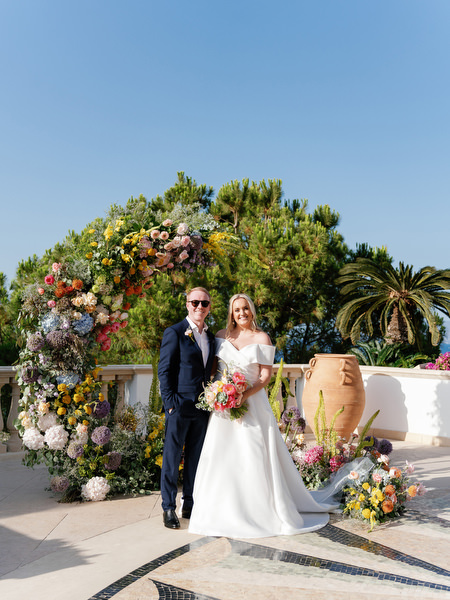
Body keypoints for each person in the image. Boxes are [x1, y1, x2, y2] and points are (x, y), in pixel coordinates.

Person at [189, 293, 355, 538]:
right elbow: (214, 370)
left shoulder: (262, 337)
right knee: (221, 456)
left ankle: (258, 511)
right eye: (237, 310)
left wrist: (243, 395)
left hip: (253, 405)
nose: (242, 313)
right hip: (224, 408)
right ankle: (218, 511)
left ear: (252, 310)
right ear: (231, 313)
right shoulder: (222, 336)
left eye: (245, 308)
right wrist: (218, 392)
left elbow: (265, 377)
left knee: (253, 454)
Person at [158, 287, 215, 529]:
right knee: (172, 459)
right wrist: (171, 404)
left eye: (204, 303)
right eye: (195, 302)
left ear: (209, 307)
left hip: (202, 407)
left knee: (195, 458)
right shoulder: (174, 332)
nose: (199, 307)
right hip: (179, 406)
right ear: (187, 304)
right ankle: (168, 508)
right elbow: (164, 371)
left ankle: (189, 503)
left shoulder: (210, 337)